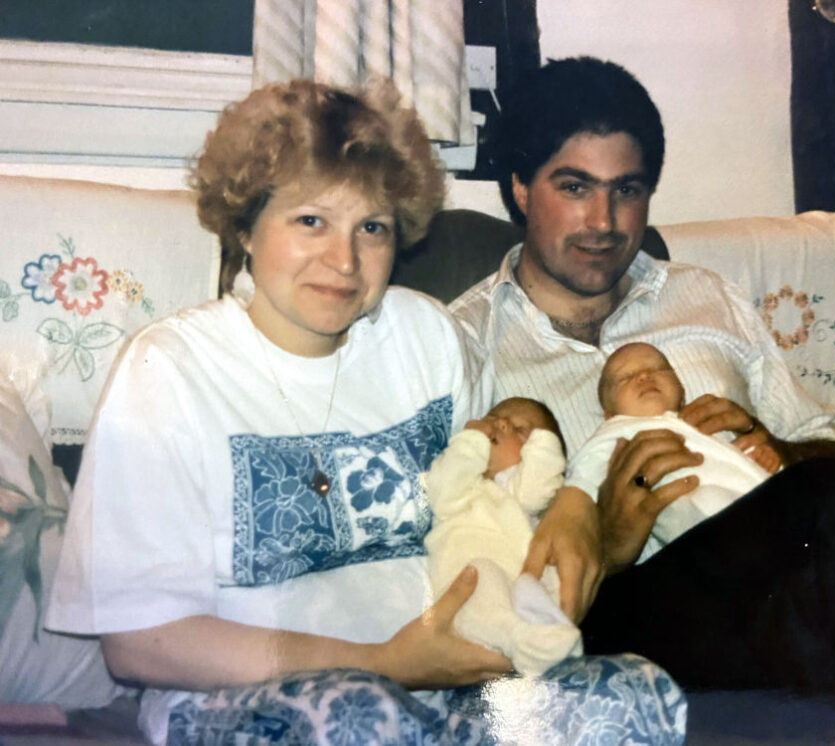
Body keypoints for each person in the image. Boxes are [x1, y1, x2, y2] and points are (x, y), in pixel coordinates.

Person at [44, 79, 686, 745]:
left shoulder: (427, 336)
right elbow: (140, 644)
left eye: (371, 227)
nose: (344, 260)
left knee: (633, 694)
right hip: (249, 704)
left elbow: (495, 496)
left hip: (447, 692)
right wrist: (384, 665)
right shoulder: (169, 370)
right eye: (310, 221)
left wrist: (572, 506)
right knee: (363, 714)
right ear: (246, 225)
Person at [449, 56, 835, 739]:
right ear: (521, 189)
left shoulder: (703, 297)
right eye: (574, 187)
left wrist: (783, 447)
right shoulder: (461, 344)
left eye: (627, 189)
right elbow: (457, 547)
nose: (604, 221)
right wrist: (609, 543)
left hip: (772, 584)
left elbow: (834, 450)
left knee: (834, 535)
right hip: (609, 615)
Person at [566, 342, 776, 561]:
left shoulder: (700, 422)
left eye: (659, 369)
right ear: (610, 415)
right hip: (703, 520)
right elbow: (584, 475)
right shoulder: (616, 432)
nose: (644, 375)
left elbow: (728, 459)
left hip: (762, 506)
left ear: (683, 395)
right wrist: (572, 504)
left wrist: (761, 460)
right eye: (625, 378)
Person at [424, 397, 582, 676]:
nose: (501, 424)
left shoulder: (522, 491)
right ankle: (519, 639)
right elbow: (442, 487)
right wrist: (472, 439)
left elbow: (539, 486)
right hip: (467, 591)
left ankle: (551, 634)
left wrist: (544, 440)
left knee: (556, 581)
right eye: (493, 419)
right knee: (480, 577)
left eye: (520, 430)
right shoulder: (465, 489)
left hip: (524, 585)